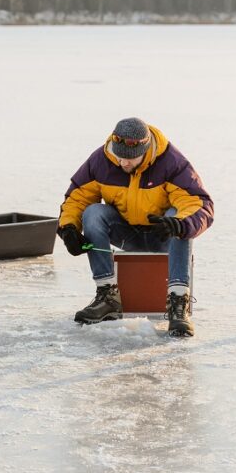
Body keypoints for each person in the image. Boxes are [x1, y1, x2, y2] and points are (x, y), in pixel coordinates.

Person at [57, 117, 213, 337]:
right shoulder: (101, 160)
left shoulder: (171, 162)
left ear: (146, 149)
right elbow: (77, 197)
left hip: (163, 234)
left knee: (179, 218)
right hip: (126, 232)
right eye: (120, 157)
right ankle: (107, 296)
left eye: (131, 158)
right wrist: (68, 229)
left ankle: (178, 304)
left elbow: (199, 203)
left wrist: (178, 225)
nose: (124, 163)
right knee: (92, 213)